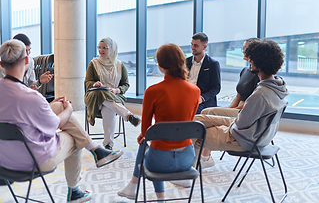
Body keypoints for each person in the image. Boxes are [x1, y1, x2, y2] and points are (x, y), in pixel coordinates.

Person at [0, 39, 123, 203]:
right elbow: (55, 125)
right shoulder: (31, 97)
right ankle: (75, 190)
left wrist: (50, 106)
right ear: (27, 60)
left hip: (4, 159)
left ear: (1, 63)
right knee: (74, 139)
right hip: (32, 160)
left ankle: (96, 149)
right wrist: (69, 110)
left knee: (57, 105)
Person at [117, 43, 200, 201]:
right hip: (188, 159)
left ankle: (155, 195)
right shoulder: (195, 91)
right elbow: (188, 122)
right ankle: (135, 187)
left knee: (145, 141)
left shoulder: (153, 91)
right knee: (150, 140)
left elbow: (145, 130)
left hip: (159, 162)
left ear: (161, 66)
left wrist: (144, 136)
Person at [193, 38, 288, 167]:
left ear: (258, 62)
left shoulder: (260, 94)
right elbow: (242, 121)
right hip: (258, 135)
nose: (248, 60)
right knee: (197, 119)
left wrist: (219, 126)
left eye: (251, 58)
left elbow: (240, 124)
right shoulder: (278, 86)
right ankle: (193, 164)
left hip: (242, 139)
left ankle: (187, 170)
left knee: (194, 131)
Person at [198, 38, 260, 168]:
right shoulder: (245, 71)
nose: (242, 50)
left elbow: (252, 101)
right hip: (239, 106)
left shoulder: (258, 74)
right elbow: (238, 95)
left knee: (207, 112)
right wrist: (229, 109)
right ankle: (205, 156)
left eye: (245, 48)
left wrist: (232, 111)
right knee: (210, 113)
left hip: (246, 109)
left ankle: (204, 157)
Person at [84, 37, 141, 150]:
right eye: (99, 47)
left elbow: (125, 84)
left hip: (114, 97)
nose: (101, 50)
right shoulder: (93, 63)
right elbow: (87, 82)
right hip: (95, 96)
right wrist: (94, 84)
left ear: (112, 49)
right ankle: (128, 116)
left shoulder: (120, 65)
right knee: (101, 94)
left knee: (108, 108)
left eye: (104, 47)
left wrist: (117, 90)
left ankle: (108, 144)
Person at [186, 32, 221, 114]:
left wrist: (202, 98)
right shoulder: (186, 62)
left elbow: (216, 88)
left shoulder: (212, 64)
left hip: (202, 101)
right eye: (192, 44)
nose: (192, 47)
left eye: (196, 45)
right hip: (187, 97)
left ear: (204, 47)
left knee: (191, 112)